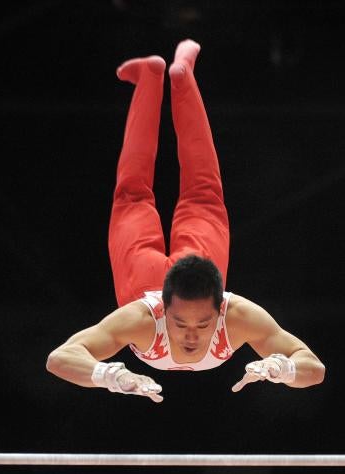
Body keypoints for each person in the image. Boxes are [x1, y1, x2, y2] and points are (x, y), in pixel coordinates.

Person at [46, 40, 325, 403]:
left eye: (203, 323)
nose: (191, 336)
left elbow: (313, 368)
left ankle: (152, 77)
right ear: (163, 307)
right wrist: (109, 375)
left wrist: (282, 370)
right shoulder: (142, 318)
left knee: (135, 194)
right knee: (202, 191)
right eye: (180, 323)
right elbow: (58, 359)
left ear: (220, 306)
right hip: (143, 282)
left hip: (139, 272)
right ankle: (180, 75)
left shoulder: (237, 315)